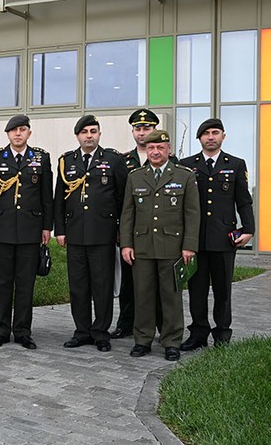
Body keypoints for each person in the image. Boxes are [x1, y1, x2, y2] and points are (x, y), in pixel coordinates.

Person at [120, 130, 199, 362]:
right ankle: (142, 340)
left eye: (160, 148)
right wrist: (126, 244)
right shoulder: (135, 176)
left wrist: (189, 246)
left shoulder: (184, 176)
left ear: (169, 150)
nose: (155, 152)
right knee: (142, 294)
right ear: (147, 150)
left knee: (171, 296)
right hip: (142, 245)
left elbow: (192, 215)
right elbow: (127, 214)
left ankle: (171, 341)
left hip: (172, 246)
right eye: (151, 148)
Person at [54, 115, 127, 352]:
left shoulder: (114, 160)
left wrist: (119, 232)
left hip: (103, 234)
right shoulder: (67, 161)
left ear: (99, 134)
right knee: (79, 286)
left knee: (102, 286)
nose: (89, 135)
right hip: (75, 234)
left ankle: (101, 332)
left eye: (93, 131)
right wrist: (60, 231)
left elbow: (122, 200)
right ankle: (82, 331)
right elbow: (59, 200)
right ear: (77, 136)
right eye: (84, 131)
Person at [179, 118, 254, 349]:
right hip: (196, 240)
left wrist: (249, 229)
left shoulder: (236, 164)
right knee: (196, 290)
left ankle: (222, 333)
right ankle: (198, 333)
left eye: (215, 133)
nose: (210, 137)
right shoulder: (186, 164)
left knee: (223, 290)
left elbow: (243, 201)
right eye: (206, 133)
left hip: (223, 239)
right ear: (199, 138)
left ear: (223, 136)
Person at [0, 114, 53, 350]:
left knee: (25, 282)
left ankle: (23, 331)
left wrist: (47, 227)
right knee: (2, 281)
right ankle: (1, 330)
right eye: (14, 130)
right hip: (1, 229)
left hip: (30, 230)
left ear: (29, 133)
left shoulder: (41, 158)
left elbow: (47, 196)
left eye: (22, 129)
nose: (18, 134)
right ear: (8, 134)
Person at [112, 108, 173, 339]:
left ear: (155, 130)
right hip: (132, 232)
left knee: (160, 283)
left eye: (146, 128)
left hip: (161, 234)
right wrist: (120, 231)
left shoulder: (171, 162)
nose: (142, 132)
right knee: (129, 281)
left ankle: (161, 325)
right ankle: (126, 323)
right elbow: (118, 199)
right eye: (138, 128)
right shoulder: (122, 161)